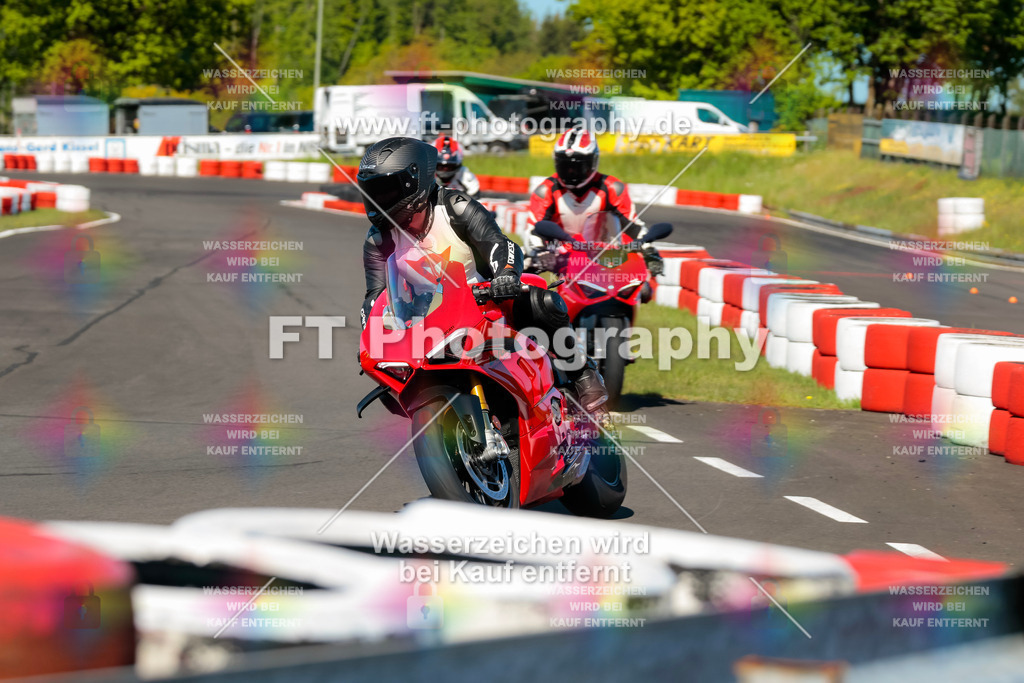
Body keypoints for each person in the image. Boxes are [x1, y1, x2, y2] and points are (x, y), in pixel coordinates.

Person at [357, 136, 608, 412]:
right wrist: (372, 334)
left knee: (541, 301)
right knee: (386, 379)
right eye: (372, 191)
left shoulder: (456, 207)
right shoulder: (378, 239)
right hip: (426, 321)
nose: (377, 200)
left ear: (413, 182)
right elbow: (376, 296)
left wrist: (506, 275)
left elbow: (500, 244)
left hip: (486, 301)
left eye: (385, 190)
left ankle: (582, 372)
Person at [524, 127, 663, 276]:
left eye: (577, 167)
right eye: (566, 166)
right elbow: (532, 230)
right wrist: (540, 252)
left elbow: (633, 225)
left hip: (603, 254)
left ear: (593, 162)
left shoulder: (612, 188)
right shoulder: (546, 190)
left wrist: (648, 248)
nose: (571, 172)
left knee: (644, 284)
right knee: (522, 265)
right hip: (559, 254)